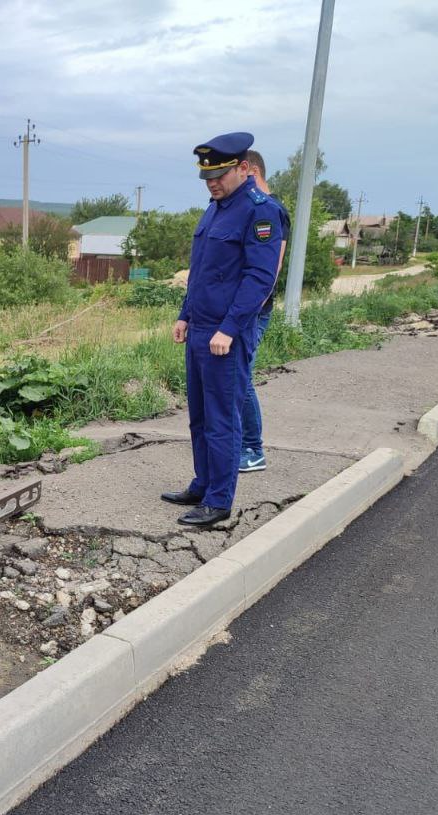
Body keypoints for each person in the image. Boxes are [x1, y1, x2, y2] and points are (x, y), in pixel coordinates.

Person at [161, 132, 281, 527]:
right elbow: (202, 273)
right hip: (200, 329)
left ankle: (219, 500)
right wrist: (184, 314)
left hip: (226, 335)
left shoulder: (259, 211)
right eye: (207, 177)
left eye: (221, 174)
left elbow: (259, 278)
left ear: (245, 169)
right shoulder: (215, 209)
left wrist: (229, 328)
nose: (213, 182)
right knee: (198, 414)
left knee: (222, 416)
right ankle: (203, 482)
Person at [238, 150, 291, 473]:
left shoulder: (272, 212)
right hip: (241, 309)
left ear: (251, 170)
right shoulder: (247, 209)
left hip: (252, 311)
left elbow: (270, 269)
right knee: (234, 377)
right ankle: (239, 442)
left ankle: (253, 448)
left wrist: (248, 310)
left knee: (240, 377)